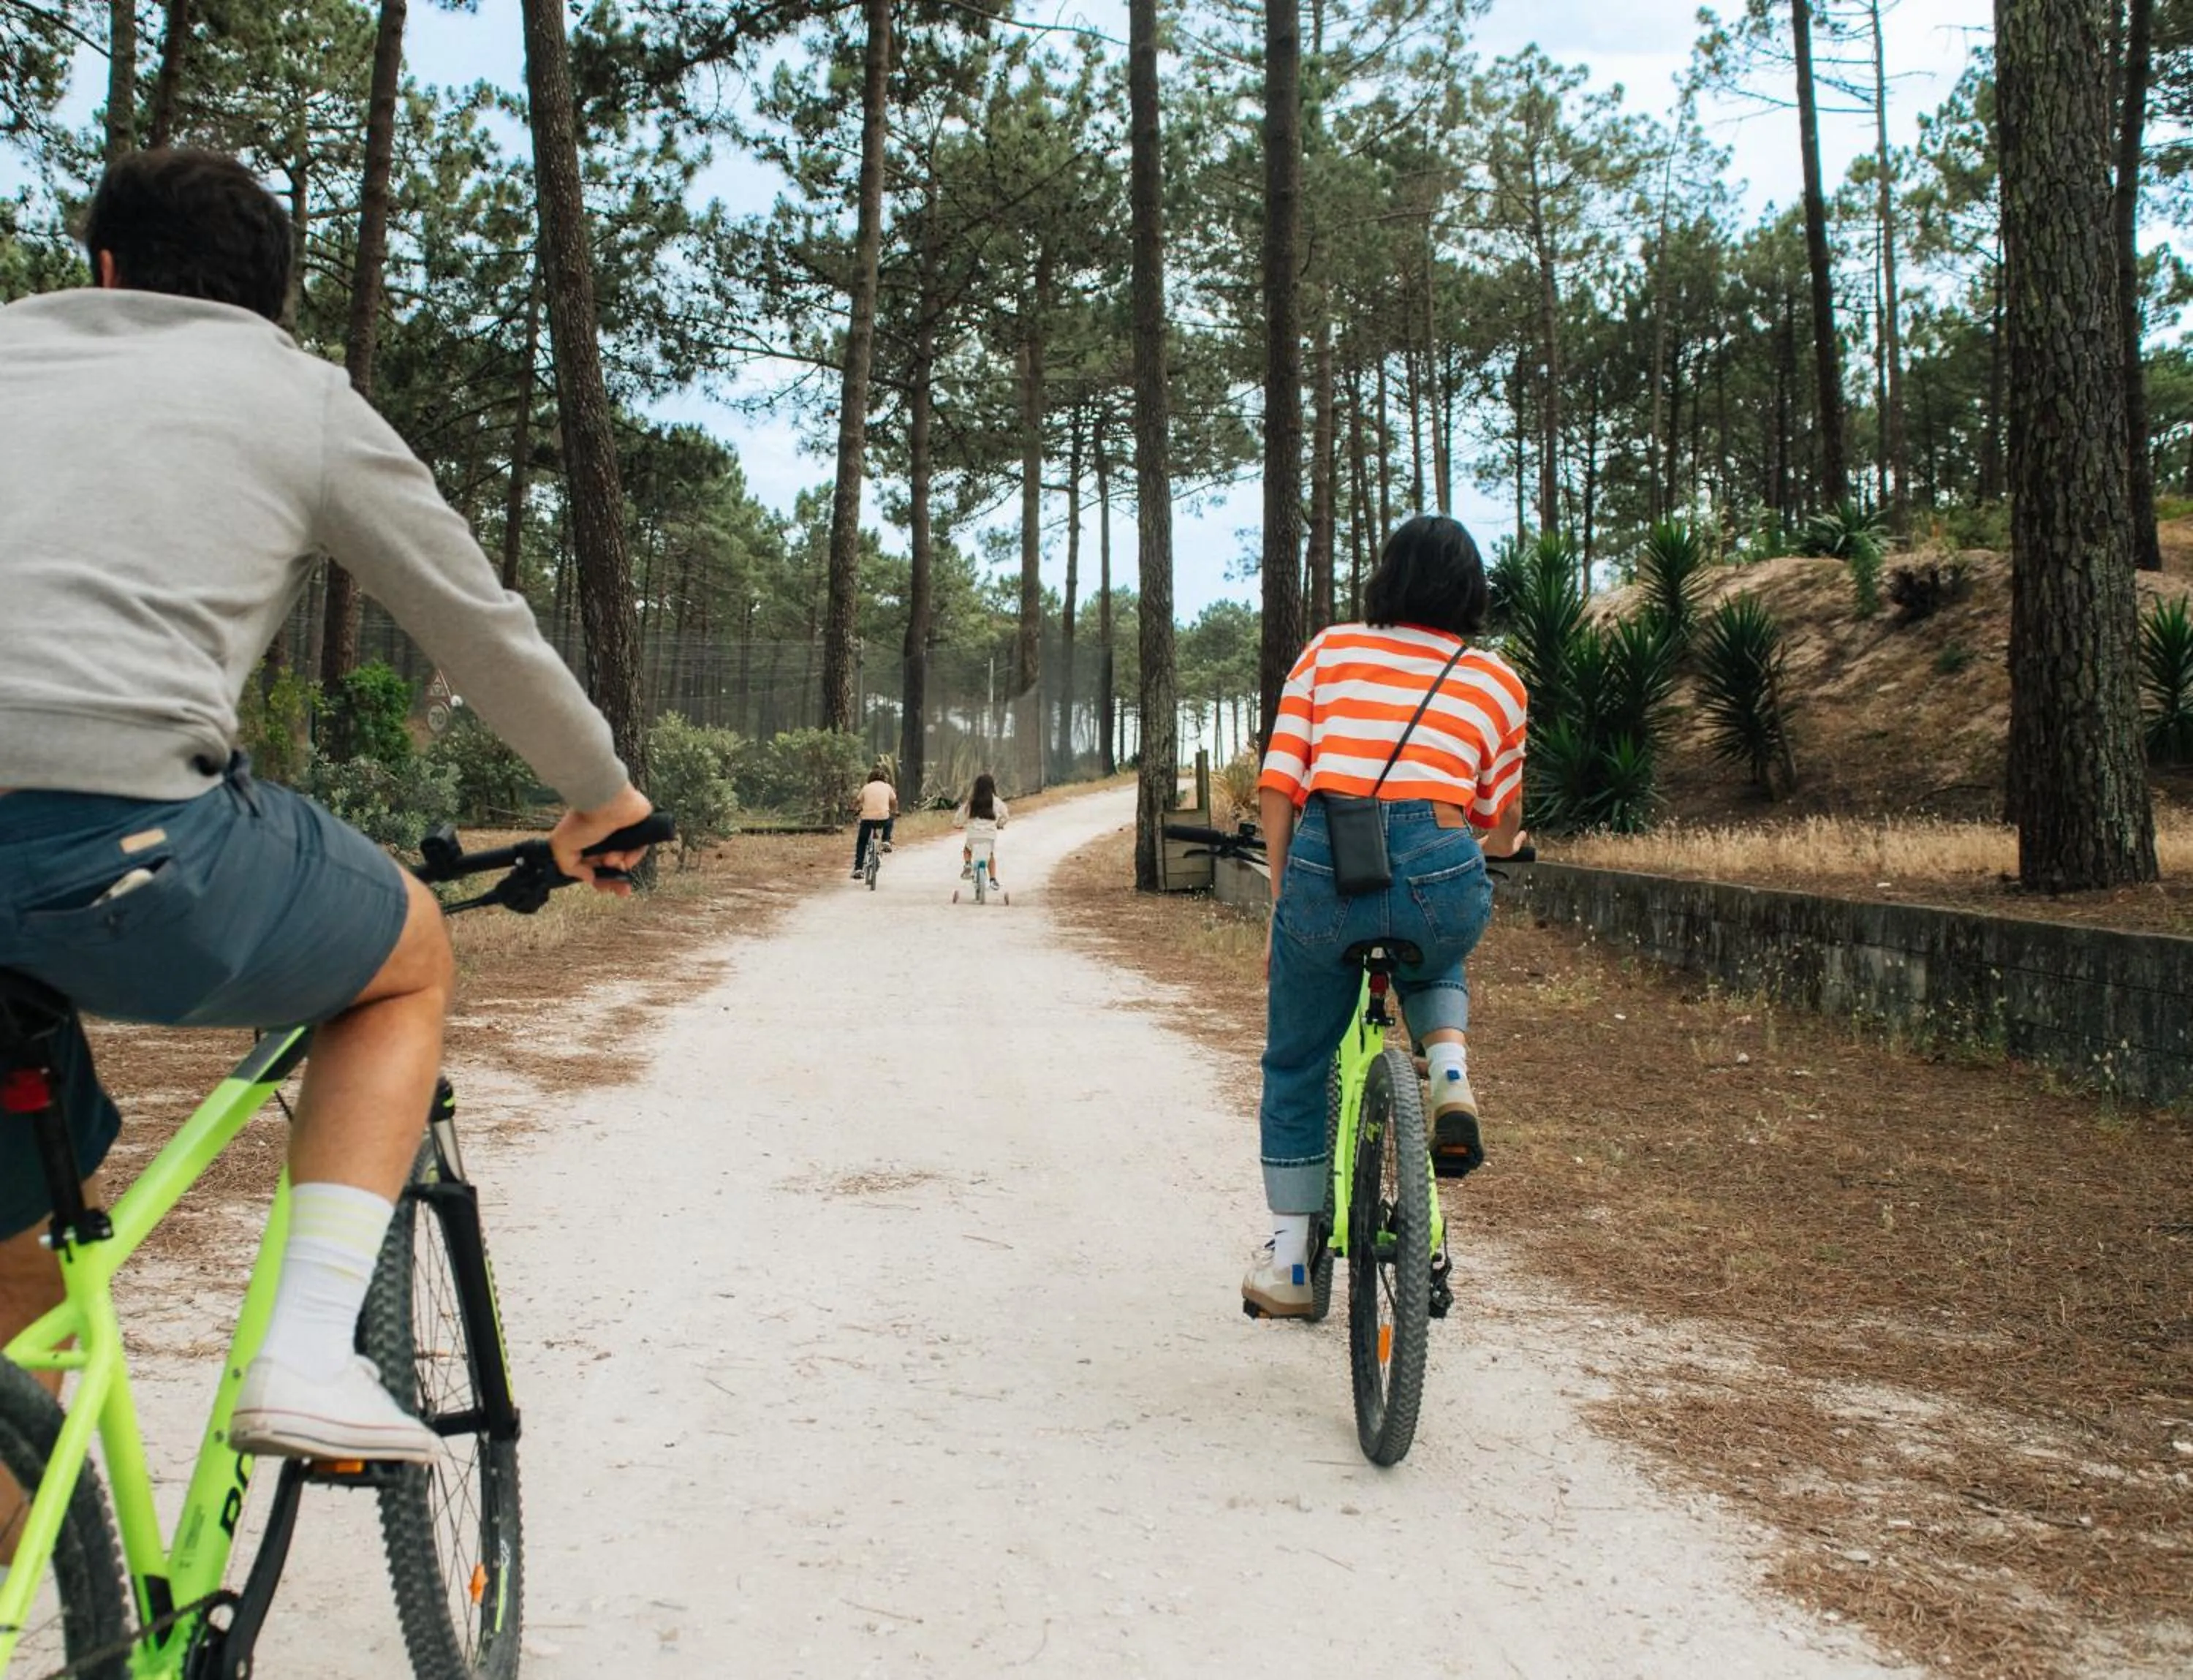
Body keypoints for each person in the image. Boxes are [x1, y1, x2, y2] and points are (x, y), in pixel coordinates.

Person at [0, 149, 654, 1464]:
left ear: (106, 271)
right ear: (268, 304)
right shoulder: (295, 396)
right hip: (119, 845)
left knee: (21, 1308)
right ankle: (308, 1352)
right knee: (405, 956)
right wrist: (602, 794)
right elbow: (482, 627)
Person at [1243, 514, 1527, 1319]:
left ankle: (1292, 1267)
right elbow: (1498, 828)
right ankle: (1448, 1072)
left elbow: (1279, 785)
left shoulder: (1332, 650)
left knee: (1296, 1059)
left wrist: (1282, 902)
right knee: (1440, 947)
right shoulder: (1499, 682)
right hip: (1440, 861)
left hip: (1328, 866)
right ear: (1473, 592)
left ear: (1387, 580)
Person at [954, 773, 1009, 890]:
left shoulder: (971, 801)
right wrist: (1000, 824)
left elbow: (961, 815)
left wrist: (958, 824)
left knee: (967, 849)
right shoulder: (996, 801)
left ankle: (968, 864)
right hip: (989, 836)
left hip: (973, 835)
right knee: (990, 855)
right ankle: (993, 880)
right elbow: (1005, 816)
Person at [852, 766, 898, 878]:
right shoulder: (887, 787)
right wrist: (894, 811)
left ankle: (858, 869)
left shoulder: (866, 787)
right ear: (885, 779)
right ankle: (886, 840)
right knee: (890, 818)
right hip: (883, 819)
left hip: (867, 820)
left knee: (862, 843)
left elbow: (857, 801)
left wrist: (854, 809)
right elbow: (894, 801)